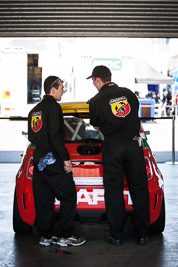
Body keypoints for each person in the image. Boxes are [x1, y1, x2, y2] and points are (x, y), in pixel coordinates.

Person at [87, 66, 150, 246]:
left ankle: (116, 236)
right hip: (133, 143)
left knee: (114, 190)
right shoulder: (129, 94)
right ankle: (142, 235)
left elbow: (97, 126)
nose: (93, 84)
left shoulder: (95, 100)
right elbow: (135, 119)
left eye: (93, 80)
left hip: (113, 146)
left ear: (98, 79)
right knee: (139, 188)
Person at [28, 76, 86, 247]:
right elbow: (55, 136)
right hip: (52, 158)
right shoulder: (54, 107)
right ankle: (64, 235)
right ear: (52, 89)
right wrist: (66, 158)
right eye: (61, 88)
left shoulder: (35, 110)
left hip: (39, 159)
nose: (64, 91)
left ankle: (45, 236)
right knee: (68, 195)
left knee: (44, 198)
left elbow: (32, 136)